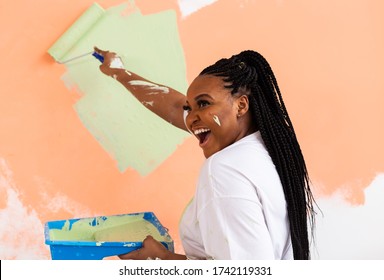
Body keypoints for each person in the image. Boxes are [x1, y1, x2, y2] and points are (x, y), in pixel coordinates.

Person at [94, 47, 316, 260]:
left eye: (203, 103)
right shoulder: (272, 149)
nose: (191, 118)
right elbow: (174, 106)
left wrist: (160, 259)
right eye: (190, 108)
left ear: (241, 106)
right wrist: (119, 72)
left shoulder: (224, 168)